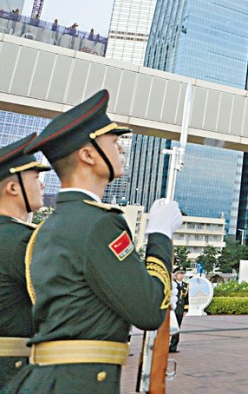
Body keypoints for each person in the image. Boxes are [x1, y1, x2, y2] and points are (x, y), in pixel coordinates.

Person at [3, 89, 181, 394]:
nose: (121, 149)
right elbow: (150, 310)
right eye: (114, 142)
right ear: (87, 155)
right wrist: (160, 237)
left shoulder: (52, 225)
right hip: (79, 383)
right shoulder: (98, 223)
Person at [0, 134, 48, 388]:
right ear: (13, 188)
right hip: (13, 374)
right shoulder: (24, 241)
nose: (42, 186)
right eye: (36, 178)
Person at [168, 267, 189, 353]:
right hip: (173, 309)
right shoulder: (171, 284)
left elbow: (186, 298)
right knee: (169, 328)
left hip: (180, 309)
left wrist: (186, 310)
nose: (181, 275)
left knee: (177, 328)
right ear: (175, 275)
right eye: (179, 274)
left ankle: (173, 347)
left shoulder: (185, 285)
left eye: (182, 274)